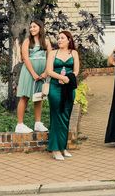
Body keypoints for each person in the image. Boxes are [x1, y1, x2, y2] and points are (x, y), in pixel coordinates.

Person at [46, 30, 80, 161]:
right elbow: (49, 71)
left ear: (68, 40)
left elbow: (76, 70)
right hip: (55, 87)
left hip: (69, 87)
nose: (59, 40)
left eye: (62, 38)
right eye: (58, 38)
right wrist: (60, 77)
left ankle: (63, 147)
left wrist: (68, 78)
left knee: (66, 117)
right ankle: (55, 149)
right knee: (57, 116)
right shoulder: (53, 53)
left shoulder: (74, 53)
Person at [15, 19, 49, 134]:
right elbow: (25, 58)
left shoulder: (46, 41)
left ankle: (38, 123)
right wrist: (34, 74)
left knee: (39, 96)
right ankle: (19, 124)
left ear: (40, 27)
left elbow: (50, 57)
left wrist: (45, 72)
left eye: (34, 26)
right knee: (24, 96)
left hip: (42, 72)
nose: (32, 29)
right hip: (29, 72)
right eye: (31, 27)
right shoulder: (27, 41)